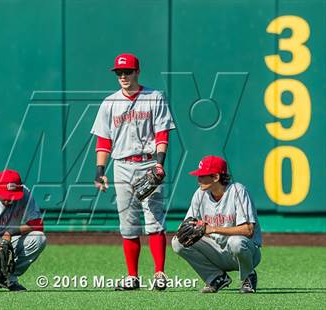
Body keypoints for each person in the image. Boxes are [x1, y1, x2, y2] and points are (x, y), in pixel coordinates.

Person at [90, 53, 176, 290]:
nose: (123, 76)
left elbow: (162, 134)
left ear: (137, 72)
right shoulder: (109, 103)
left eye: (127, 71)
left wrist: (160, 162)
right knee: (127, 223)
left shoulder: (154, 97)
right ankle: (132, 277)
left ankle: (159, 274)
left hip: (148, 163)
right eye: (119, 73)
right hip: (121, 165)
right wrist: (100, 170)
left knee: (154, 220)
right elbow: (103, 140)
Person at [172, 155, 262, 293]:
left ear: (216, 177)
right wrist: (185, 228)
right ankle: (216, 278)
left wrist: (213, 229)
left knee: (236, 241)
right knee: (178, 242)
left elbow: (249, 230)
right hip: (216, 250)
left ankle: (248, 276)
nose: (198, 180)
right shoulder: (200, 194)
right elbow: (188, 223)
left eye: (202, 176)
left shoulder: (237, 191)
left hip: (246, 252)